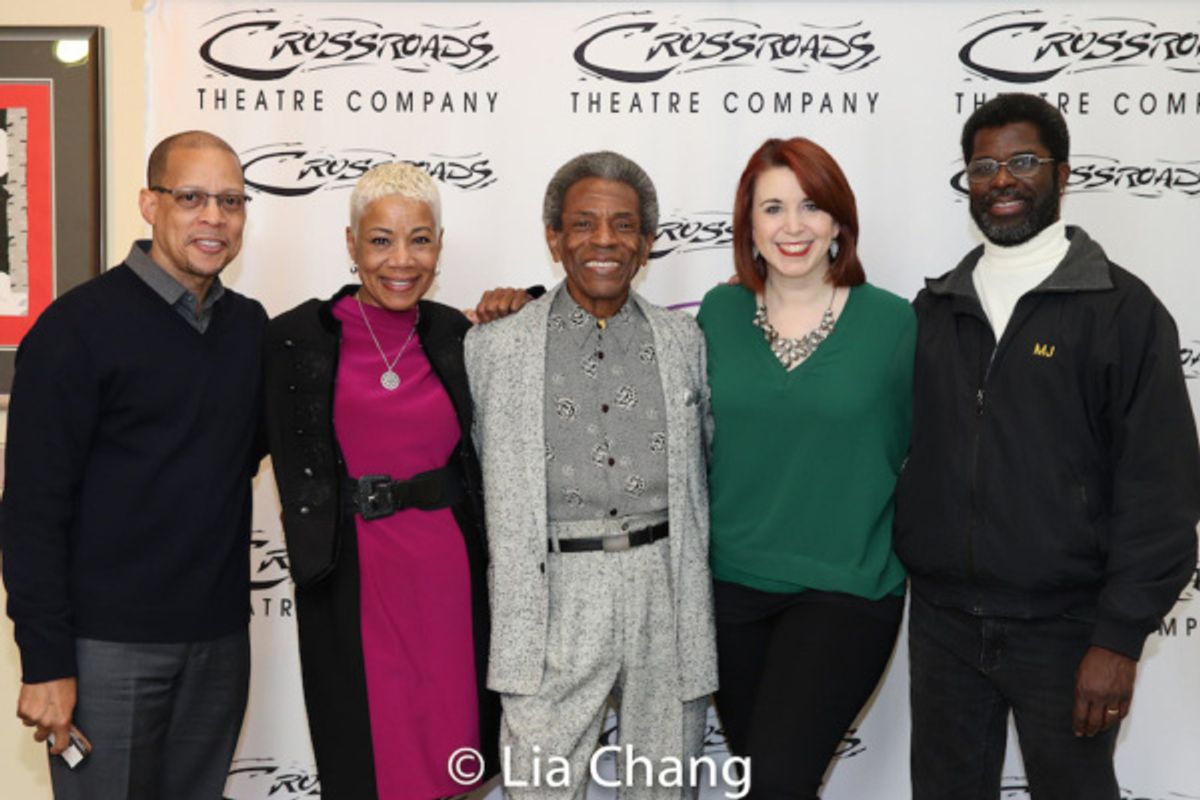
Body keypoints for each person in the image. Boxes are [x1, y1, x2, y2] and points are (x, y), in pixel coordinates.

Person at [894, 93, 1200, 800]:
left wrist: (1119, 639)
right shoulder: (934, 310)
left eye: (1023, 161)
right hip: (943, 623)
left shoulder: (1124, 311)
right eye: (984, 166)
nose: (1002, 180)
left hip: (1068, 630)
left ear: (1062, 175)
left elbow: (1162, 489)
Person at [2, 130, 264, 799]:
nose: (214, 216)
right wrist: (46, 662)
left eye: (230, 201)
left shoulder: (250, 329)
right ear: (150, 204)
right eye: (192, 197)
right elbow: (31, 510)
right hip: (104, 654)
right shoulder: (75, 331)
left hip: (219, 646)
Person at [464, 151, 717, 799]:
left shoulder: (684, 342)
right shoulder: (493, 346)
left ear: (647, 244)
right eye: (582, 224)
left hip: (664, 582)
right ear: (554, 237)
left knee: (664, 786)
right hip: (549, 592)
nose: (603, 240)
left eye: (623, 225)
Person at [262, 162, 499, 799]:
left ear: (440, 247)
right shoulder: (292, 341)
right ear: (351, 244)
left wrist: (523, 301)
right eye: (381, 239)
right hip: (347, 579)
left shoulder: (462, 336)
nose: (401, 259)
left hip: (448, 579)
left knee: (451, 763)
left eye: (420, 239)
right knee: (367, 768)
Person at [695, 138, 913, 799]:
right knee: (769, 780)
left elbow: (936, 449)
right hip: (729, 592)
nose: (794, 226)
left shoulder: (894, 323)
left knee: (776, 785)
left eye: (812, 206)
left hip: (845, 591)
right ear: (750, 227)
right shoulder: (716, 314)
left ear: (839, 223)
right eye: (773, 208)